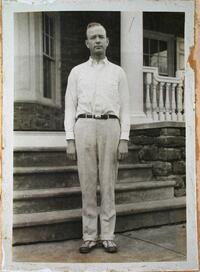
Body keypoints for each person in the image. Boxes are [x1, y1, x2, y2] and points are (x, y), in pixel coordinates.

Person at [64, 22, 130, 254]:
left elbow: (126, 108)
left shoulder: (118, 72)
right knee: (88, 183)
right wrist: (70, 138)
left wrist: (124, 138)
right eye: (93, 37)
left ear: (107, 41)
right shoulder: (77, 72)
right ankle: (90, 235)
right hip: (84, 126)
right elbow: (69, 107)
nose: (98, 41)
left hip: (110, 126)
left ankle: (108, 235)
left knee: (108, 183)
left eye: (101, 36)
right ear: (87, 43)